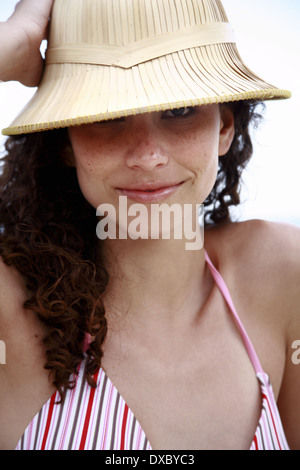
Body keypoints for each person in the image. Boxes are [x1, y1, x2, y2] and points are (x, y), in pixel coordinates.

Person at [0, 0, 299, 451]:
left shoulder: (279, 274)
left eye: (179, 111)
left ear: (224, 126)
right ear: (66, 141)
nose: (148, 155)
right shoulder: (11, 312)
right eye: (106, 116)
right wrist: (11, 41)